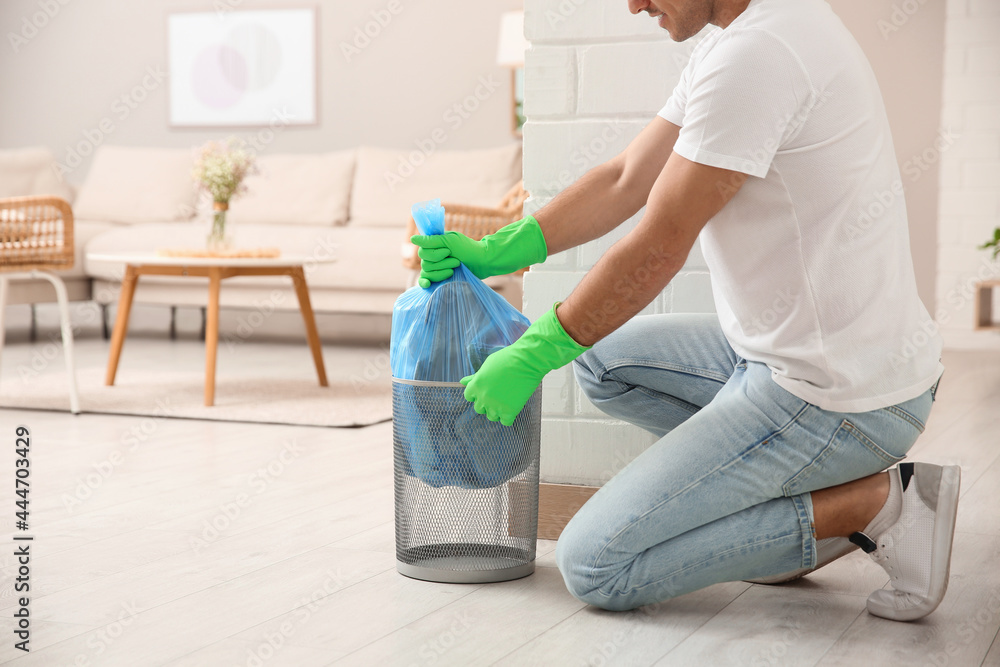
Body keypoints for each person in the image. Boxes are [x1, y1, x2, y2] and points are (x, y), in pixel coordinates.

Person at [411, 0, 958, 622]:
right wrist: (497, 249)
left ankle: (879, 504)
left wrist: (533, 354)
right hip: (799, 354)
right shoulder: (745, 34)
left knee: (596, 565)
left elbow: (659, 244)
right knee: (603, 365)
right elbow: (626, 178)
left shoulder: (759, 56)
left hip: (835, 396)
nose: (634, 4)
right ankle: (778, 506)